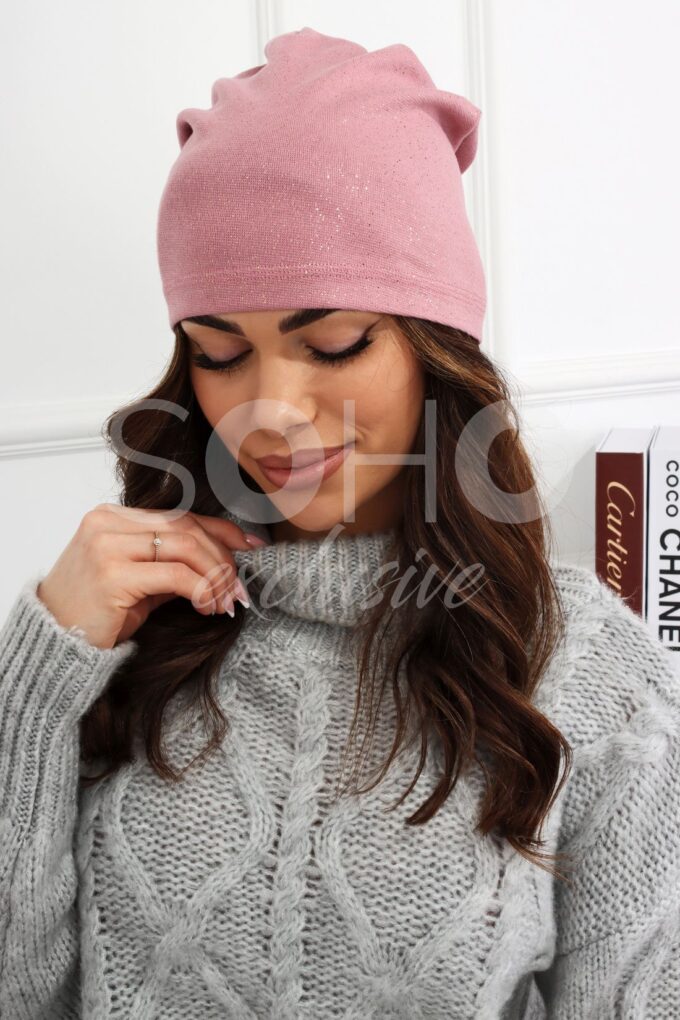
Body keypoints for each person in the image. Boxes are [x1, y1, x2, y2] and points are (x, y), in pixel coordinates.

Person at [1, 26, 679, 1020]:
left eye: (332, 343)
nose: (270, 410)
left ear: (436, 352)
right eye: (219, 354)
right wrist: (37, 678)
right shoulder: (123, 627)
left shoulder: (587, 671)